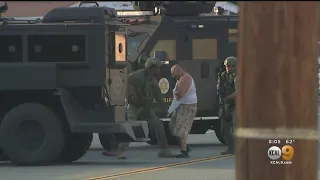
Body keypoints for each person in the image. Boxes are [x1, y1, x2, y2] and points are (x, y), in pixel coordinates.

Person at [103, 57, 175, 159]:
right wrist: (130, 95)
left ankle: (164, 150)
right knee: (129, 127)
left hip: (146, 108)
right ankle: (120, 150)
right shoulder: (137, 76)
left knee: (158, 125)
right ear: (152, 68)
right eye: (157, 68)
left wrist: (166, 111)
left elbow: (159, 97)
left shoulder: (153, 81)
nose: (159, 70)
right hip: (134, 106)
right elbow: (125, 81)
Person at [167, 64, 197, 158]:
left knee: (181, 128)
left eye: (173, 73)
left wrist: (175, 91)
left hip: (187, 106)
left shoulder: (185, 78)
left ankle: (184, 151)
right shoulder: (180, 79)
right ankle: (185, 146)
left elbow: (180, 94)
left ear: (179, 70)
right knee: (173, 126)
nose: (173, 76)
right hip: (180, 106)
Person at [217, 56, 237, 155]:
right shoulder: (223, 76)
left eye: (230, 66)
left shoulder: (237, 77)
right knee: (224, 129)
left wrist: (227, 98)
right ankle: (231, 148)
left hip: (236, 105)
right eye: (226, 66)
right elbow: (219, 90)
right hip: (226, 106)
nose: (228, 68)